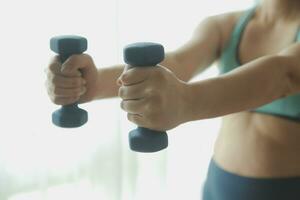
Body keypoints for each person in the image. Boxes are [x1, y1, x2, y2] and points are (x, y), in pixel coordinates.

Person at [45, 0, 300, 199]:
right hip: (218, 186)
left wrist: (186, 102)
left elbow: (283, 74)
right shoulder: (225, 26)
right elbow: (178, 63)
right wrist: (91, 83)